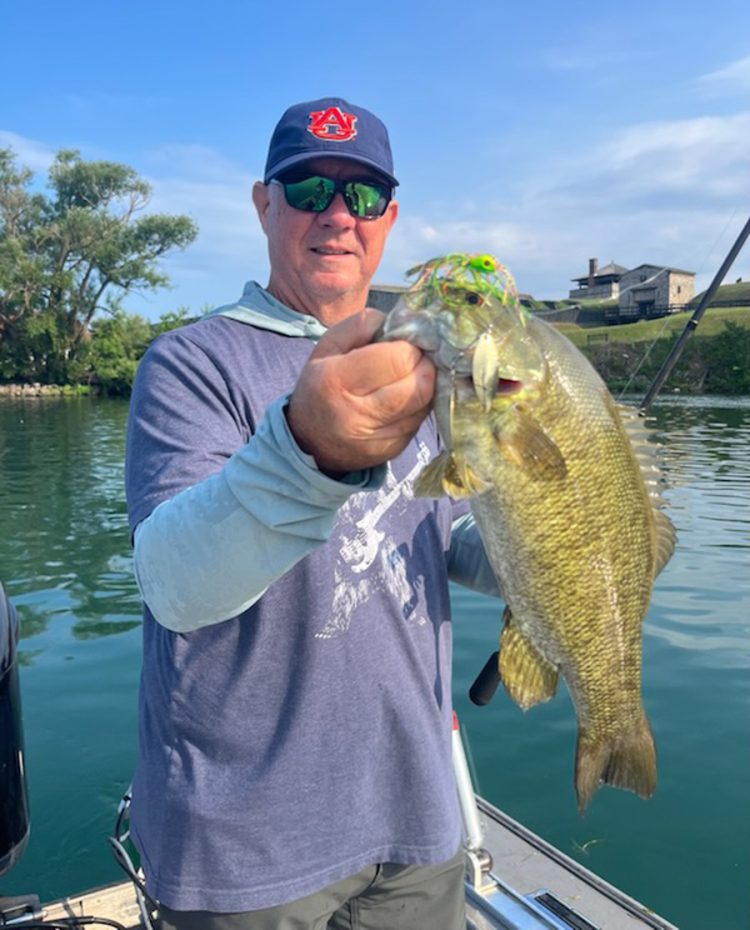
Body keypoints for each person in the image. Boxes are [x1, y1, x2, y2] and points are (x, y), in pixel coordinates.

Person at [124, 97, 499, 930]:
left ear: (390, 219)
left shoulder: (433, 364)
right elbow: (175, 585)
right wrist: (307, 449)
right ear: (265, 204)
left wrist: (560, 553)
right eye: (310, 187)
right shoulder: (191, 362)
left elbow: (445, 535)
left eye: (364, 197)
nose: (339, 214)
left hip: (416, 819)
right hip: (244, 849)